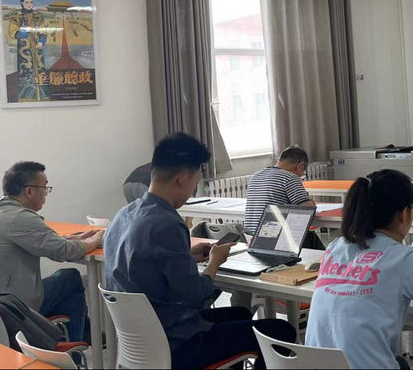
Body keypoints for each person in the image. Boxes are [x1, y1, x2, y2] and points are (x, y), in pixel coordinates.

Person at [104, 132, 296, 370]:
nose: (193, 191)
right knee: (280, 331)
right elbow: (196, 296)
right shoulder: (167, 222)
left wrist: (188, 257)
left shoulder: (124, 214)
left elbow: (147, 265)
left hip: (143, 338)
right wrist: (214, 263)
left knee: (239, 313)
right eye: (195, 184)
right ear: (182, 179)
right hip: (180, 345)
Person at [306, 169, 413, 369]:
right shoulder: (403, 258)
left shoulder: (334, 247)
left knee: (400, 362)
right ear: (403, 215)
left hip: (316, 365)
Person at [0, 161, 103, 342]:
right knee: (70, 277)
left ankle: (76, 347)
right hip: (5, 307)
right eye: (45, 188)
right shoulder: (18, 217)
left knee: (73, 301)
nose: (46, 193)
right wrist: (98, 238)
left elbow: (46, 241)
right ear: (30, 191)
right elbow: (66, 252)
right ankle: (84, 341)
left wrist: (79, 238)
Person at [244, 145, 316, 234]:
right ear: (300, 166)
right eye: (303, 173)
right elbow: (308, 210)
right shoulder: (290, 177)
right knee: (311, 236)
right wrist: (311, 202)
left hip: (249, 235)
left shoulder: (255, 176)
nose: (301, 175)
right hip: (273, 236)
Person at [7, 0, 49, 102]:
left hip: (37, 48)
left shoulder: (38, 16)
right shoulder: (16, 16)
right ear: (21, 2)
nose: (29, 5)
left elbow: (43, 31)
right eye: (26, 2)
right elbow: (12, 32)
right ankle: (27, 96)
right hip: (24, 49)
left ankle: (43, 95)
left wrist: (41, 41)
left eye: (31, 2)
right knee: (26, 70)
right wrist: (24, 32)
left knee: (40, 70)